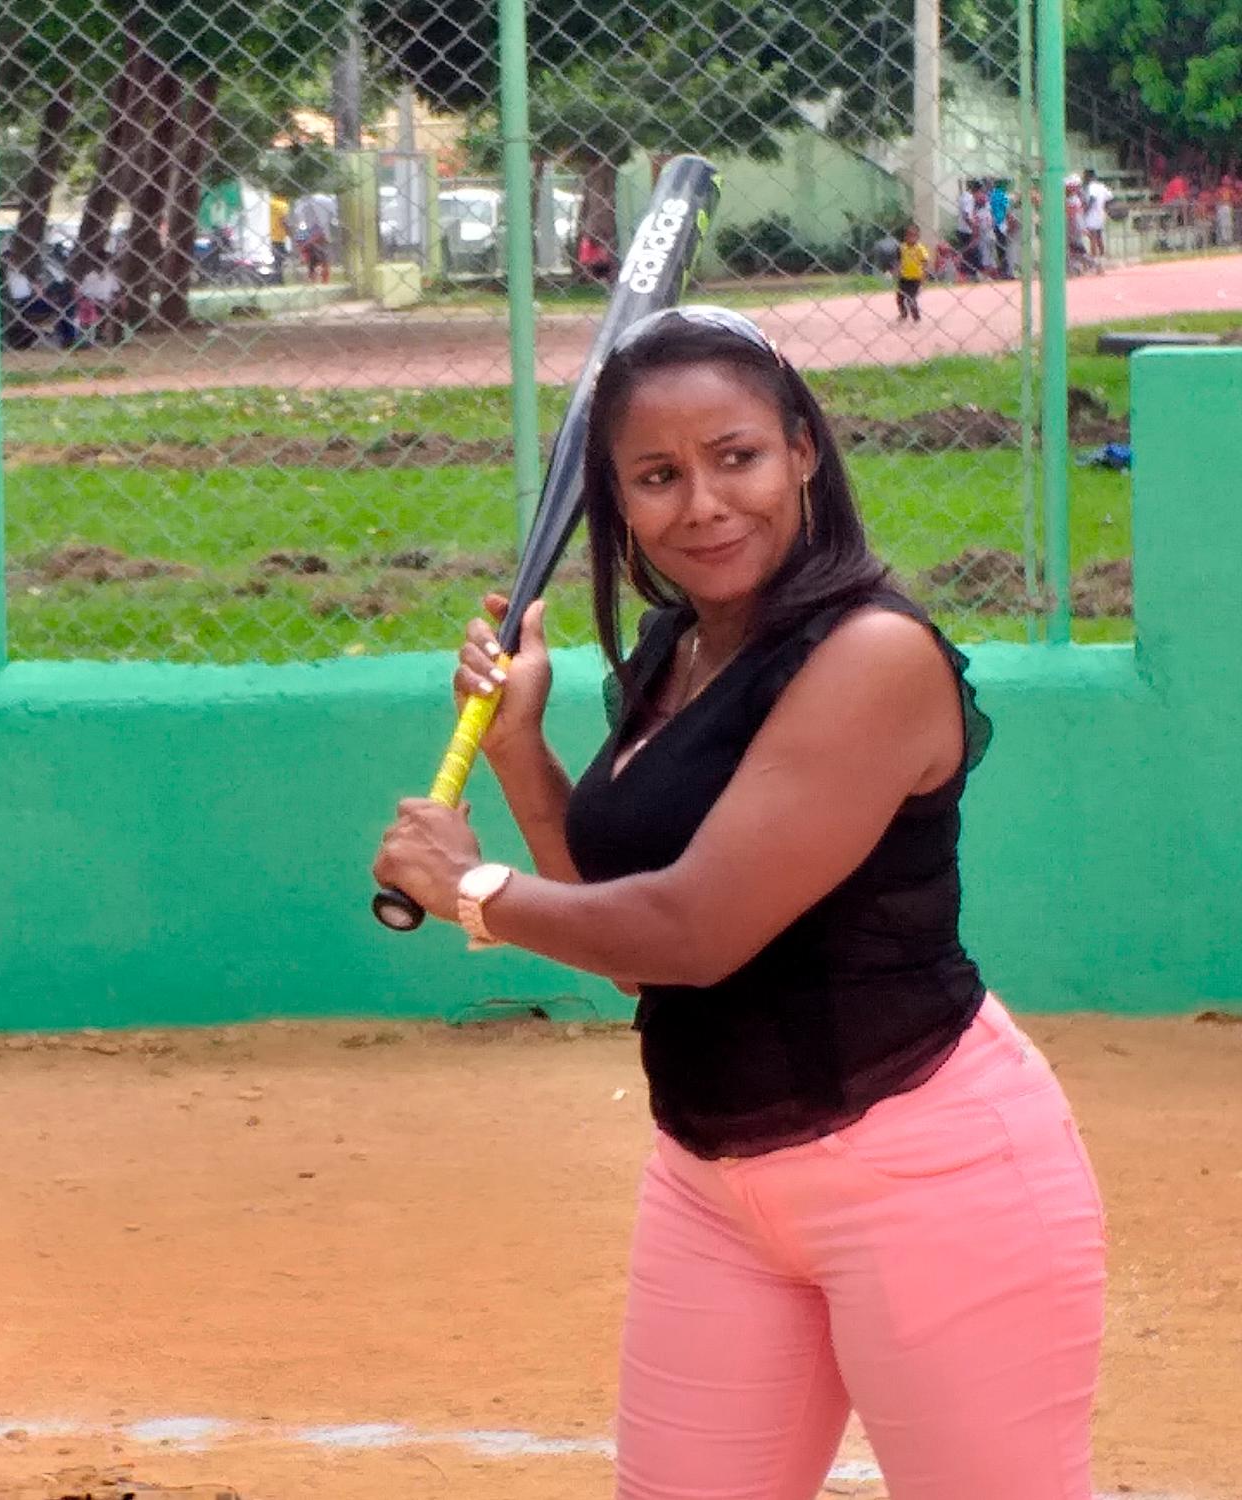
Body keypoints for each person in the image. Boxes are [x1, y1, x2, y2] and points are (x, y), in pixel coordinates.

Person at [373, 305, 1106, 1500]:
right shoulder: (676, 651)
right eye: (656, 477)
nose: (703, 505)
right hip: (712, 1184)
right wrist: (517, 753)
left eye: (736, 457)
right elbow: (628, 944)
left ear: (802, 452)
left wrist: (471, 888)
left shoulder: (869, 657)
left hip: (926, 1178)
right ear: (616, 506)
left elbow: (695, 933)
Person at [894, 222, 931, 323]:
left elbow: (925, 263)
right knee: (899, 298)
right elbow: (899, 261)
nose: (910, 237)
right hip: (904, 278)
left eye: (913, 235)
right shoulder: (902, 247)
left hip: (915, 279)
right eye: (908, 235)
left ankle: (916, 318)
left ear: (918, 237)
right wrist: (896, 271)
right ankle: (903, 314)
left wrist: (924, 278)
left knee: (911, 299)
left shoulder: (920, 249)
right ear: (905, 236)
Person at [1082, 168, 1114, 262]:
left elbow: (1092, 199)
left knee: (1092, 236)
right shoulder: (1102, 186)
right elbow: (1110, 197)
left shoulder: (1091, 187)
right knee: (1099, 236)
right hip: (1101, 213)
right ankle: (1102, 254)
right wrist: (1105, 208)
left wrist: (1085, 210)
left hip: (1092, 214)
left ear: (1088, 176)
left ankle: (1094, 256)